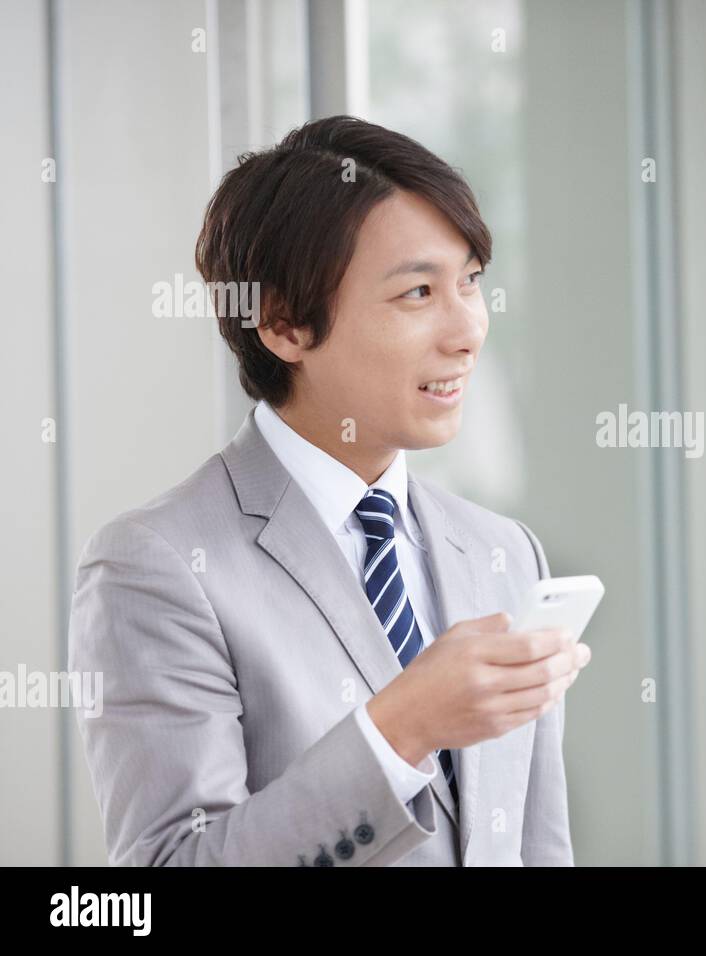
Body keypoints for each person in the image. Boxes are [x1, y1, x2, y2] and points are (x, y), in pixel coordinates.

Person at [68, 116, 591, 866]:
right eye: (418, 292)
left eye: (469, 282)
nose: (468, 329)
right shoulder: (157, 566)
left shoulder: (503, 553)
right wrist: (400, 728)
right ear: (283, 323)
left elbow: (537, 846)